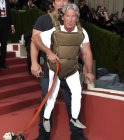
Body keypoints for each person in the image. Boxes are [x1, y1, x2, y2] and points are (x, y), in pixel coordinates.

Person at [31, 0, 94, 140]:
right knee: (48, 101)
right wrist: (36, 61)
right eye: (59, 0)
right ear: (53, 3)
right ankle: (43, 135)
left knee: (74, 100)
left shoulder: (79, 29)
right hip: (51, 71)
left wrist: (88, 70)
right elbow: (34, 40)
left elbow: (86, 52)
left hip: (70, 71)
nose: (62, 2)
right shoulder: (44, 20)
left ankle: (77, 135)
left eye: (65, 0)